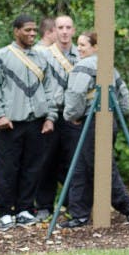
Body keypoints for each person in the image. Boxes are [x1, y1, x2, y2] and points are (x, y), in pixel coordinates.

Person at [59, 30, 129, 229]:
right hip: (108, 119)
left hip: (91, 121)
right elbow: (124, 94)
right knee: (81, 166)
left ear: (95, 47)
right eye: (78, 44)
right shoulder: (109, 68)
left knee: (101, 168)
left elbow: (76, 93)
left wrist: (72, 115)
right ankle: (79, 214)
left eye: (83, 45)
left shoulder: (83, 66)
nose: (79, 48)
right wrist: (119, 114)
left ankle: (128, 209)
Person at [0, 14, 57, 230]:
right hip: (10, 123)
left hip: (36, 121)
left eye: (34, 30)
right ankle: (5, 211)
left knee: (32, 167)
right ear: (16, 31)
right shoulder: (1, 57)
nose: (32, 34)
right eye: (27, 30)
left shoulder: (41, 58)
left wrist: (50, 117)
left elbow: (50, 89)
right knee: (7, 168)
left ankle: (25, 209)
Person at [34, 14, 81, 221]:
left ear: (73, 30)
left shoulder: (81, 55)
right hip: (51, 114)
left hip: (73, 115)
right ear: (54, 30)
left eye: (68, 27)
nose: (64, 31)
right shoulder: (44, 55)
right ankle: (44, 206)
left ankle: (74, 204)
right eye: (60, 27)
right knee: (47, 160)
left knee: (74, 161)